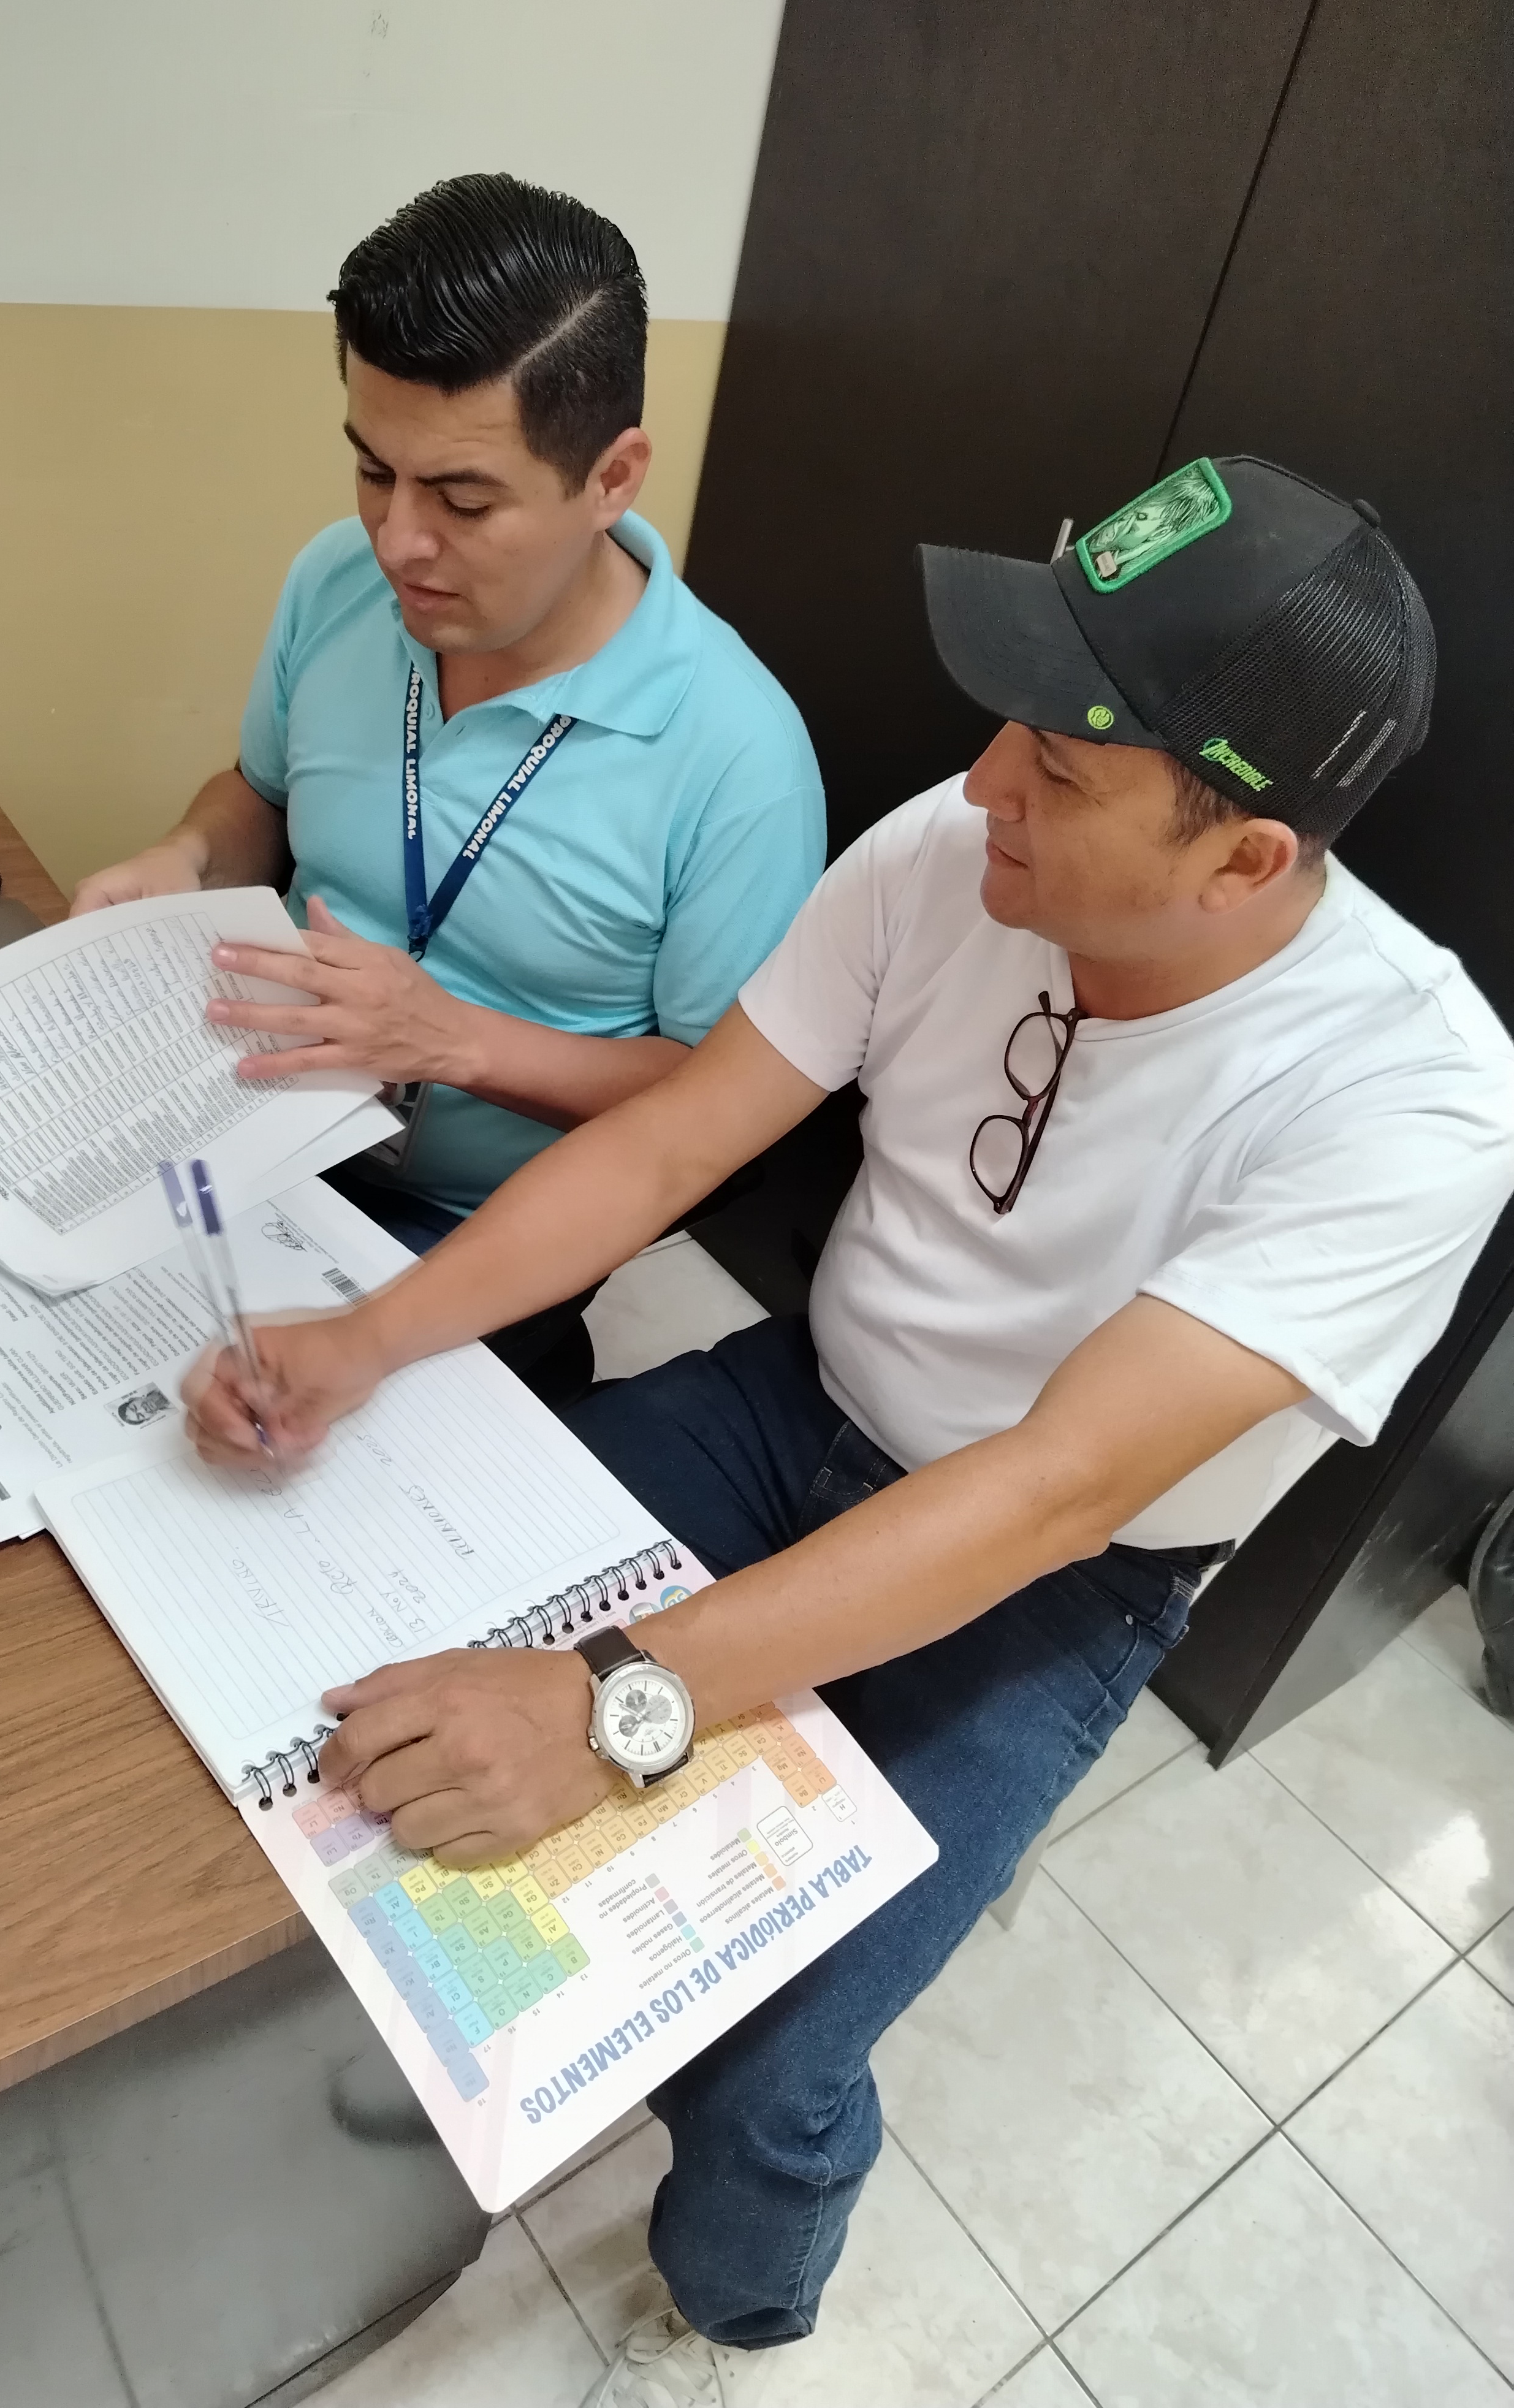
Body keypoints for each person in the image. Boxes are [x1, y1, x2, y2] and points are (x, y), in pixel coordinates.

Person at [186, 455, 1514, 2405]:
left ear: (1242, 862)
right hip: (797, 1404)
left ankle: (741, 2311)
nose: (983, 783)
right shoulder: (947, 854)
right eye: (1010, 724)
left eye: (1059, 768)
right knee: (369, 1633)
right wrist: (368, 1341)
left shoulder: (1418, 1101)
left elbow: (1053, 1491)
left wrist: (612, 1707)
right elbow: (674, 1138)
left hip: (1061, 1582)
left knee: (768, 2054)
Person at [73, 172, 824, 1349]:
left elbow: (715, 1105)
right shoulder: (335, 581)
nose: (398, 543)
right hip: (251, 1130)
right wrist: (186, 856)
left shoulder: (740, 756)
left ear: (612, 479)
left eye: (463, 502)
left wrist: (453, 1043)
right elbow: (260, 793)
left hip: (483, 1233)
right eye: (375, 471)